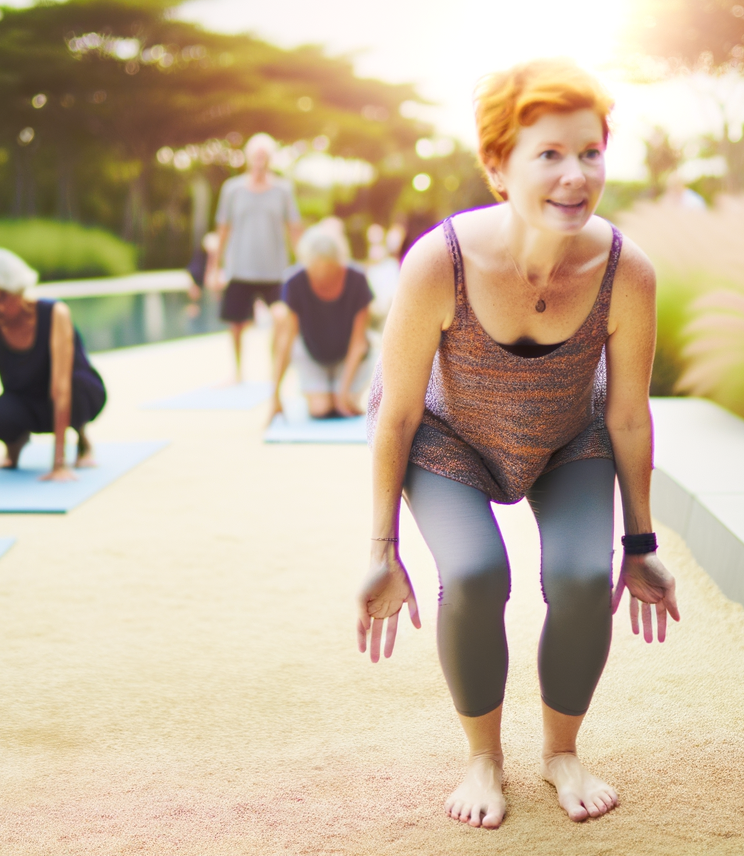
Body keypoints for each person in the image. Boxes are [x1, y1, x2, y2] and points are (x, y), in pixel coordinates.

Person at [359, 59, 682, 829]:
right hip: (449, 436)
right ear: (499, 167)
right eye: (550, 155)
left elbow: (630, 416)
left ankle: (562, 750)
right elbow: (397, 415)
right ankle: (482, 759)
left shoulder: (625, 272)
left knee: (579, 576)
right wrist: (382, 548)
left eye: (590, 152)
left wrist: (640, 541)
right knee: (473, 571)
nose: (576, 175)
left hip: (569, 431)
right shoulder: (440, 262)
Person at [0, 248, 106, 482]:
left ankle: (82, 438)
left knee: (75, 393)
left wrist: (58, 464)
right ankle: (15, 445)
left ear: (17, 291)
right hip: (25, 395)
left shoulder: (55, 313)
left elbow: (61, 388)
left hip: (74, 392)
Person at [206, 133, 302, 380]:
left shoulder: (283, 189)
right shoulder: (232, 189)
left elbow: (294, 229)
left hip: (275, 270)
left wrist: (302, 264)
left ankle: (275, 372)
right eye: (256, 155)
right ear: (248, 158)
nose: (260, 159)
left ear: (270, 159)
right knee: (236, 325)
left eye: (264, 155)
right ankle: (238, 373)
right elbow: (222, 230)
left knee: (281, 321)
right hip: (240, 268)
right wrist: (214, 268)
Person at [268, 218, 374, 421]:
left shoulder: (357, 279)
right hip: (312, 355)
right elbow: (287, 339)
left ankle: (339, 390)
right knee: (320, 410)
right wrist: (275, 395)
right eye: (316, 270)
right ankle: (320, 390)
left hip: (350, 358)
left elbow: (359, 342)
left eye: (330, 269)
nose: (323, 276)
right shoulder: (294, 281)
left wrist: (344, 393)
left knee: (342, 406)